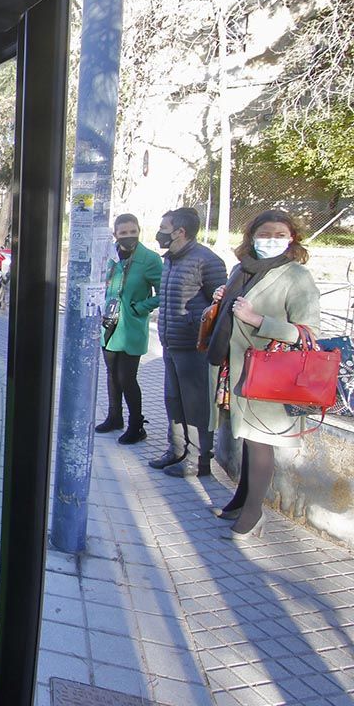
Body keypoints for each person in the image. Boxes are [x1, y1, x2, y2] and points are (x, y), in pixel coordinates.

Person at [207, 210, 320, 538]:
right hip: (238, 369)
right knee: (246, 438)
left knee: (260, 443)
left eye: (279, 235)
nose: (271, 240)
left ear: (292, 238)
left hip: (269, 374)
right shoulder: (241, 269)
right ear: (251, 236)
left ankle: (255, 514)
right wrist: (222, 299)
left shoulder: (296, 276)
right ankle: (241, 501)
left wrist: (258, 321)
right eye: (264, 234)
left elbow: (308, 332)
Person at [152, 207, 227, 477]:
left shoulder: (207, 261)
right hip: (171, 343)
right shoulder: (171, 259)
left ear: (180, 231)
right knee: (173, 400)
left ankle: (199, 460)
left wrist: (197, 329)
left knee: (195, 406)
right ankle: (176, 451)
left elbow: (220, 306)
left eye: (164, 228)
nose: (159, 233)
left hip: (193, 347)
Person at [95, 214, 162, 444]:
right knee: (112, 375)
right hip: (109, 325)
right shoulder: (108, 257)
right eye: (123, 233)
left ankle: (136, 425)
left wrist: (141, 307)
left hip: (131, 327)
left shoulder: (150, 259)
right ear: (116, 235)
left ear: (139, 231)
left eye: (132, 231)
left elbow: (164, 292)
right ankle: (115, 417)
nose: (128, 236)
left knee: (127, 378)